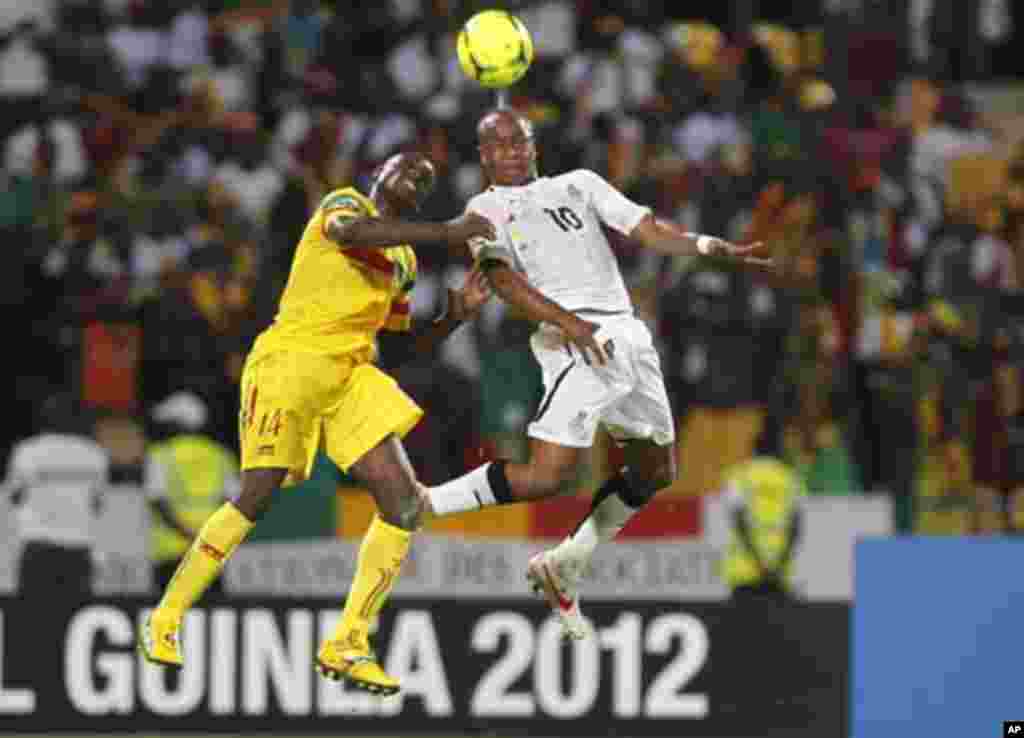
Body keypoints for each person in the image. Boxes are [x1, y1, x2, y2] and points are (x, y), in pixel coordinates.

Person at [138, 151, 495, 696]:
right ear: (381, 173)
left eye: (426, 180)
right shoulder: (344, 204)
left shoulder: (405, 261)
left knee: (404, 504)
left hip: (350, 374)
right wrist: (449, 231)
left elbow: (400, 348)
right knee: (257, 494)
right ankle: (165, 618)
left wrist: (453, 317)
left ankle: (349, 641)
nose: (417, 181)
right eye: (409, 170)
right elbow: (352, 233)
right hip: (292, 358)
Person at [422, 110, 770, 639]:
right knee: (547, 475)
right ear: (484, 155)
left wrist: (704, 245)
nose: (512, 149)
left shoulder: (578, 185)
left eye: (521, 140)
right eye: (499, 143)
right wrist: (568, 322)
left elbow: (646, 229)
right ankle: (423, 503)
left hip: (628, 336)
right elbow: (502, 280)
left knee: (656, 471)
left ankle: (566, 562)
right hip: (575, 339)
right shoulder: (484, 208)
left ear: (534, 146)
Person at [4, 393, 107, 605]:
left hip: (38, 548)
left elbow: (14, 496)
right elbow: (97, 503)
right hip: (78, 548)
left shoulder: (27, 451)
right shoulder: (94, 454)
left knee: (32, 615)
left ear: (45, 417)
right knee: (75, 613)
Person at [147, 391, 241, 592]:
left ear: (177, 424)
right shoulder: (221, 455)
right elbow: (233, 503)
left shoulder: (160, 455)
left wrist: (187, 533)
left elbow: (158, 503)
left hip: (171, 552)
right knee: (211, 617)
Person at [720, 456, 806, 602]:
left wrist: (760, 565)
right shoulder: (791, 477)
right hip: (779, 575)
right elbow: (795, 529)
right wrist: (778, 566)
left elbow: (740, 524)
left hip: (744, 573)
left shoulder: (738, 475)